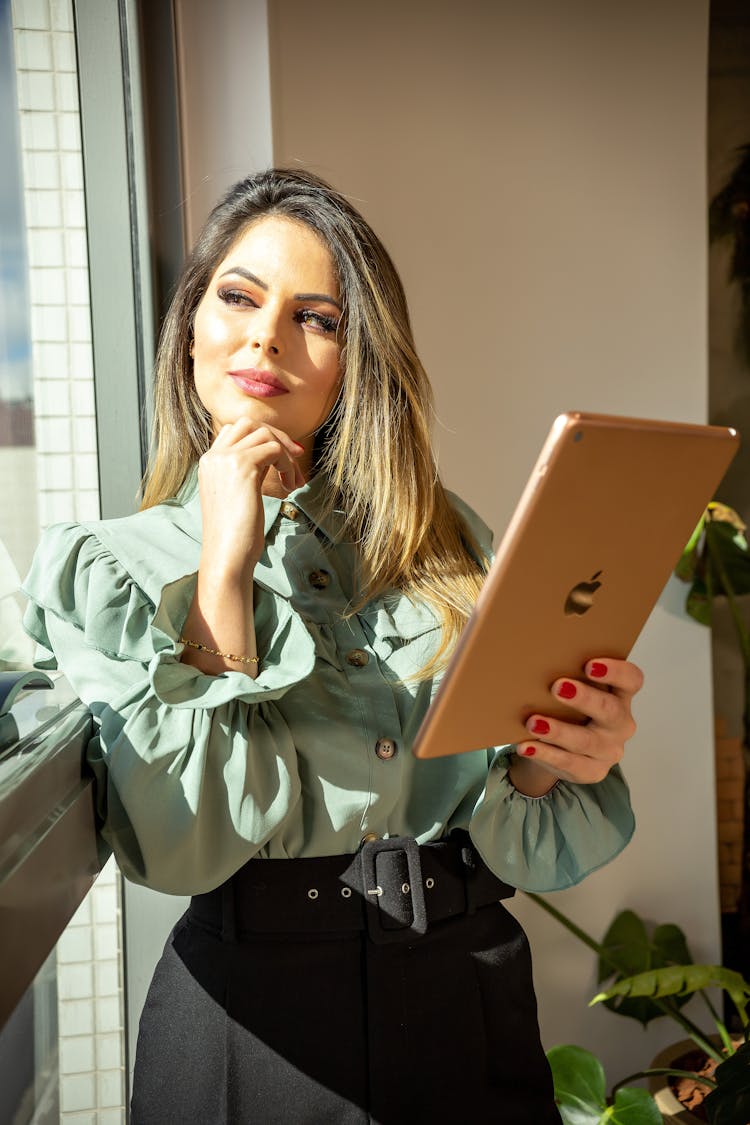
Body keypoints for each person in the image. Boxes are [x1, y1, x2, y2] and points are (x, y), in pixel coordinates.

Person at [22, 168, 642, 1124]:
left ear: (356, 362)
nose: (266, 335)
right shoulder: (105, 569)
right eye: (237, 297)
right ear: (191, 325)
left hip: (469, 999)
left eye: (316, 316)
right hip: (252, 1028)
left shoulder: (447, 545)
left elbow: (521, 829)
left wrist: (554, 760)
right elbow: (184, 842)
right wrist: (224, 566)